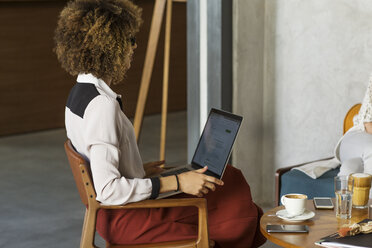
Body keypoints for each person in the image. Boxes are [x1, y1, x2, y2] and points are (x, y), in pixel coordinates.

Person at [54, 0, 266, 247]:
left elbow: (100, 166)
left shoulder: (78, 94)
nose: (134, 46)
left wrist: (139, 171)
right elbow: (108, 190)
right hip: (129, 219)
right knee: (230, 189)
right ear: (107, 47)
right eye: (129, 39)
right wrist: (177, 182)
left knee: (228, 179)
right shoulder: (102, 105)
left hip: (116, 214)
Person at [335, 74, 372, 197]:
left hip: (362, 158)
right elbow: (368, 125)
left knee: (350, 168)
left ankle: (344, 208)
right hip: (359, 135)